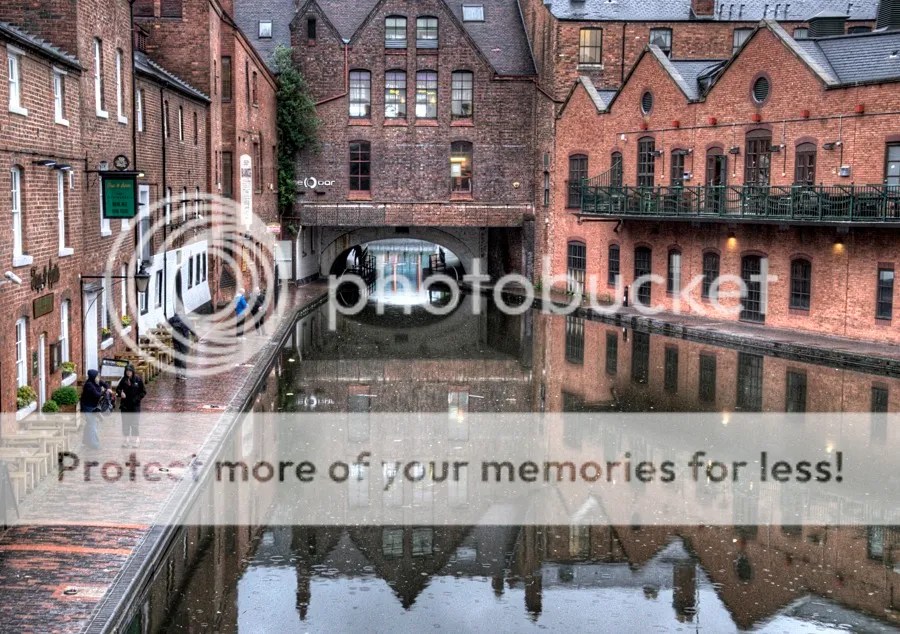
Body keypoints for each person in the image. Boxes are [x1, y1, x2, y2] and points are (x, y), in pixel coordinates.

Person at [80, 370, 114, 450]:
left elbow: (104, 384)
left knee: (90, 424)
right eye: (97, 376)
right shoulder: (89, 385)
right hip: (88, 407)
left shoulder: (96, 381)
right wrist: (105, 391)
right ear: (93, 377)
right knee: (93, 425)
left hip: (93, 406)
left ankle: (86, 441)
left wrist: (108, 388)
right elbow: (97, 395)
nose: (98, 378)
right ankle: (95, 444)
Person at [117, 365, 146, 448]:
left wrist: (137, 399)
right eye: (127, 371)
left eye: (130, 371)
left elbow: (143, 392)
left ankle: (136, 439)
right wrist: (120, 393)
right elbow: (118, 389)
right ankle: (126, 439)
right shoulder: (123, 380)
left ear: (133, 371)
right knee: (125, 423)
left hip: (135, 406)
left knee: (134, 423)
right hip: (125, 405)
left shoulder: (138, 380)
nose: (128, 372)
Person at [168, 313, 197, 380]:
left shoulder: (173, 319)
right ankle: (183, 374)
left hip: (175, 339)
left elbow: (168, 323)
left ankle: (178, 373)